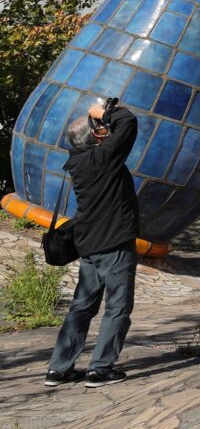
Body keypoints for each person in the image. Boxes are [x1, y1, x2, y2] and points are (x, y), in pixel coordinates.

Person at [45, 99, 139, 389]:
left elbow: (116, 130)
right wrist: (104, 112)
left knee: (82, 307)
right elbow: (128, 123)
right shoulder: (102, 159)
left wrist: (102, 117)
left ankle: (58, 369)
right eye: (101, 128)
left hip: (89, 245)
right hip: (114, 244)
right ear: (97, 136)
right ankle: (100, 369)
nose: (106, 130)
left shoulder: (77, 159)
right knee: (117, 307)